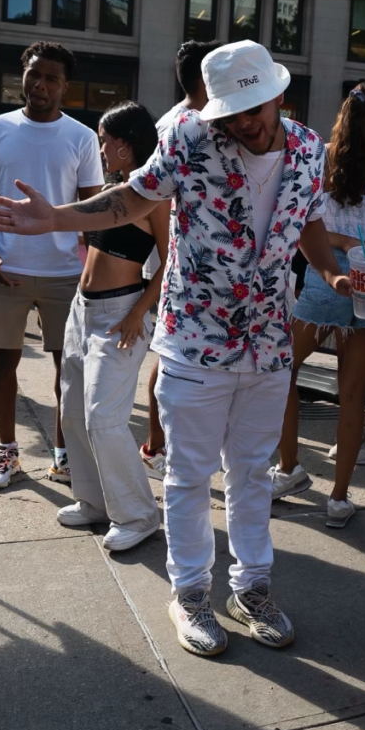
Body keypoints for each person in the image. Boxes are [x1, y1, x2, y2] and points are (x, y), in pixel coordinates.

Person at [0, 40, 350, 658]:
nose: (243, 123)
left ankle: (251, 587)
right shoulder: (187, 139)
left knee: (253, 474)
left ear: (280, 95)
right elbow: (131, 198)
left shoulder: (310, 150)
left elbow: (307, 218)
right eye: (232, 111)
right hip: (196, 339)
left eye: (254, 108)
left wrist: (332, 274)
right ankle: (190, 594)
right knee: (187, 476)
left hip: (266, 341)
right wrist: (56, 219)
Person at [270, 80, 365, 528]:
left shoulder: (319, 153)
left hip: (323, 274)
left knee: (284, 371)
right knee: (353, 394)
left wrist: (332, 242)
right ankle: (338, 497)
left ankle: (290, 467)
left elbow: (299, 214)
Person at [0, 42, 105, 488]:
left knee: (65, 369)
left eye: (51, 78)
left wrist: (91, 268)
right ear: (23, 76)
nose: (40, 84)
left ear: (65, 87)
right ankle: (7, 453)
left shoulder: (82, 137)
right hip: (6, 266)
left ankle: (64, 456)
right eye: (34, 74)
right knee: (4, 361)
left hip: (65, 272)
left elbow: (95, 211)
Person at [55, 102, 168, 552]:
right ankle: (95, 502)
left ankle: (139, 515)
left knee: (104, 418)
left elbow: (171, 261)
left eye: (104, 140)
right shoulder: (112, 188)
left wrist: (140, 311)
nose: (100, 148)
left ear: (124, 145)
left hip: (121, 315)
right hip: (83, 309)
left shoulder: (155, 196)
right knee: (72, 411)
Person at [138, 39, 221, 481]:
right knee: (170, 359)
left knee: (175, 359)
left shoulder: (192, 118)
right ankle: (156, 445)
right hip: (175, 261)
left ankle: (165, 444)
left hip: (185, 261)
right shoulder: (179, 125)